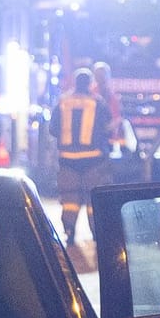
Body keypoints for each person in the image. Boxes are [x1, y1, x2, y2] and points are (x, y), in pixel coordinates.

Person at [53, 68, 109, 242]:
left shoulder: (63, 102)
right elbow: (105, 126)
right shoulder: (97, 102)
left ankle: (69, 232)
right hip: (94, 159)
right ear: (90, 83)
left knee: (70, 198)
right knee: (94, 198)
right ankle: (97, 233)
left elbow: (53, 129)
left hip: (68, 160)